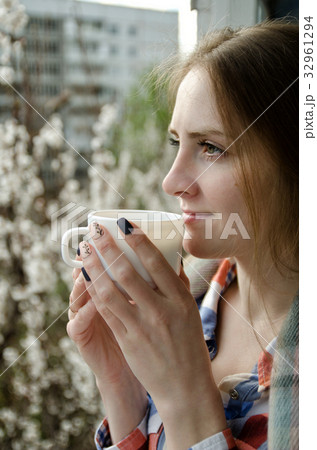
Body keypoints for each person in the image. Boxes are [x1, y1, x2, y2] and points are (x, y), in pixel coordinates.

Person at [67, 20, 299, 449]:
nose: (172, 182)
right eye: (177, 143)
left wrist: (185, 398)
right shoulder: (183, 305)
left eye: (211, 148)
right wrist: (123, 386)